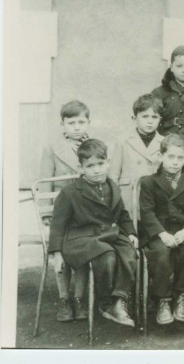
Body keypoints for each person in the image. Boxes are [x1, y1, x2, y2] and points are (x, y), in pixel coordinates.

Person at [48, 139, 138, 327]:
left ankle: (118, 300)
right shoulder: (71, 192)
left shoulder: (112, 186)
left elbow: (121, 213)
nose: (97, 170)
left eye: (100, 164)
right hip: (82, 239)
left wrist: (130, 233)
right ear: (81, 168)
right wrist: (57, 253)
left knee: (129, 253)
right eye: (90, 166)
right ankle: (105, 301)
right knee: (107, 256)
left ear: (107, 162)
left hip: (109, 234)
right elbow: (58, 224)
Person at [139, 134, 184, 325]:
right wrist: (161, 233)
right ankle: (163, 300)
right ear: (161, 156)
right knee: (160, 253)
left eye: (180, 158)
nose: (176, 162)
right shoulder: (149, 182)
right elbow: (147, 211)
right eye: (171, 157)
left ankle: (183, 296)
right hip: (160, 231)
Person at [39, 100, 92, 322]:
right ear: (63, 124)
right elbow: (44, 182)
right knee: (59, 252)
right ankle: (63, 298)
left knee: (81, 252)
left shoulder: (92, 145)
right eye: (71, 122)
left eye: (81, 122)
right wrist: (46, 213)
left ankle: (79, 298)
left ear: (88, 122)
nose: (77, 127)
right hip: (60, 212)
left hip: (85, 211)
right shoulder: (52, 148)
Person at [109, 94, 165, 214]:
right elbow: (113, 175)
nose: (150, 121)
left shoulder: (164, 143)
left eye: (154, 117)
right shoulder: (123, 141)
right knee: (132, 227)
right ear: (134, 118)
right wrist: (115, 200)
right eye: (145, 116)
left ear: (160, 120)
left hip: (154, 197)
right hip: (129, 196)